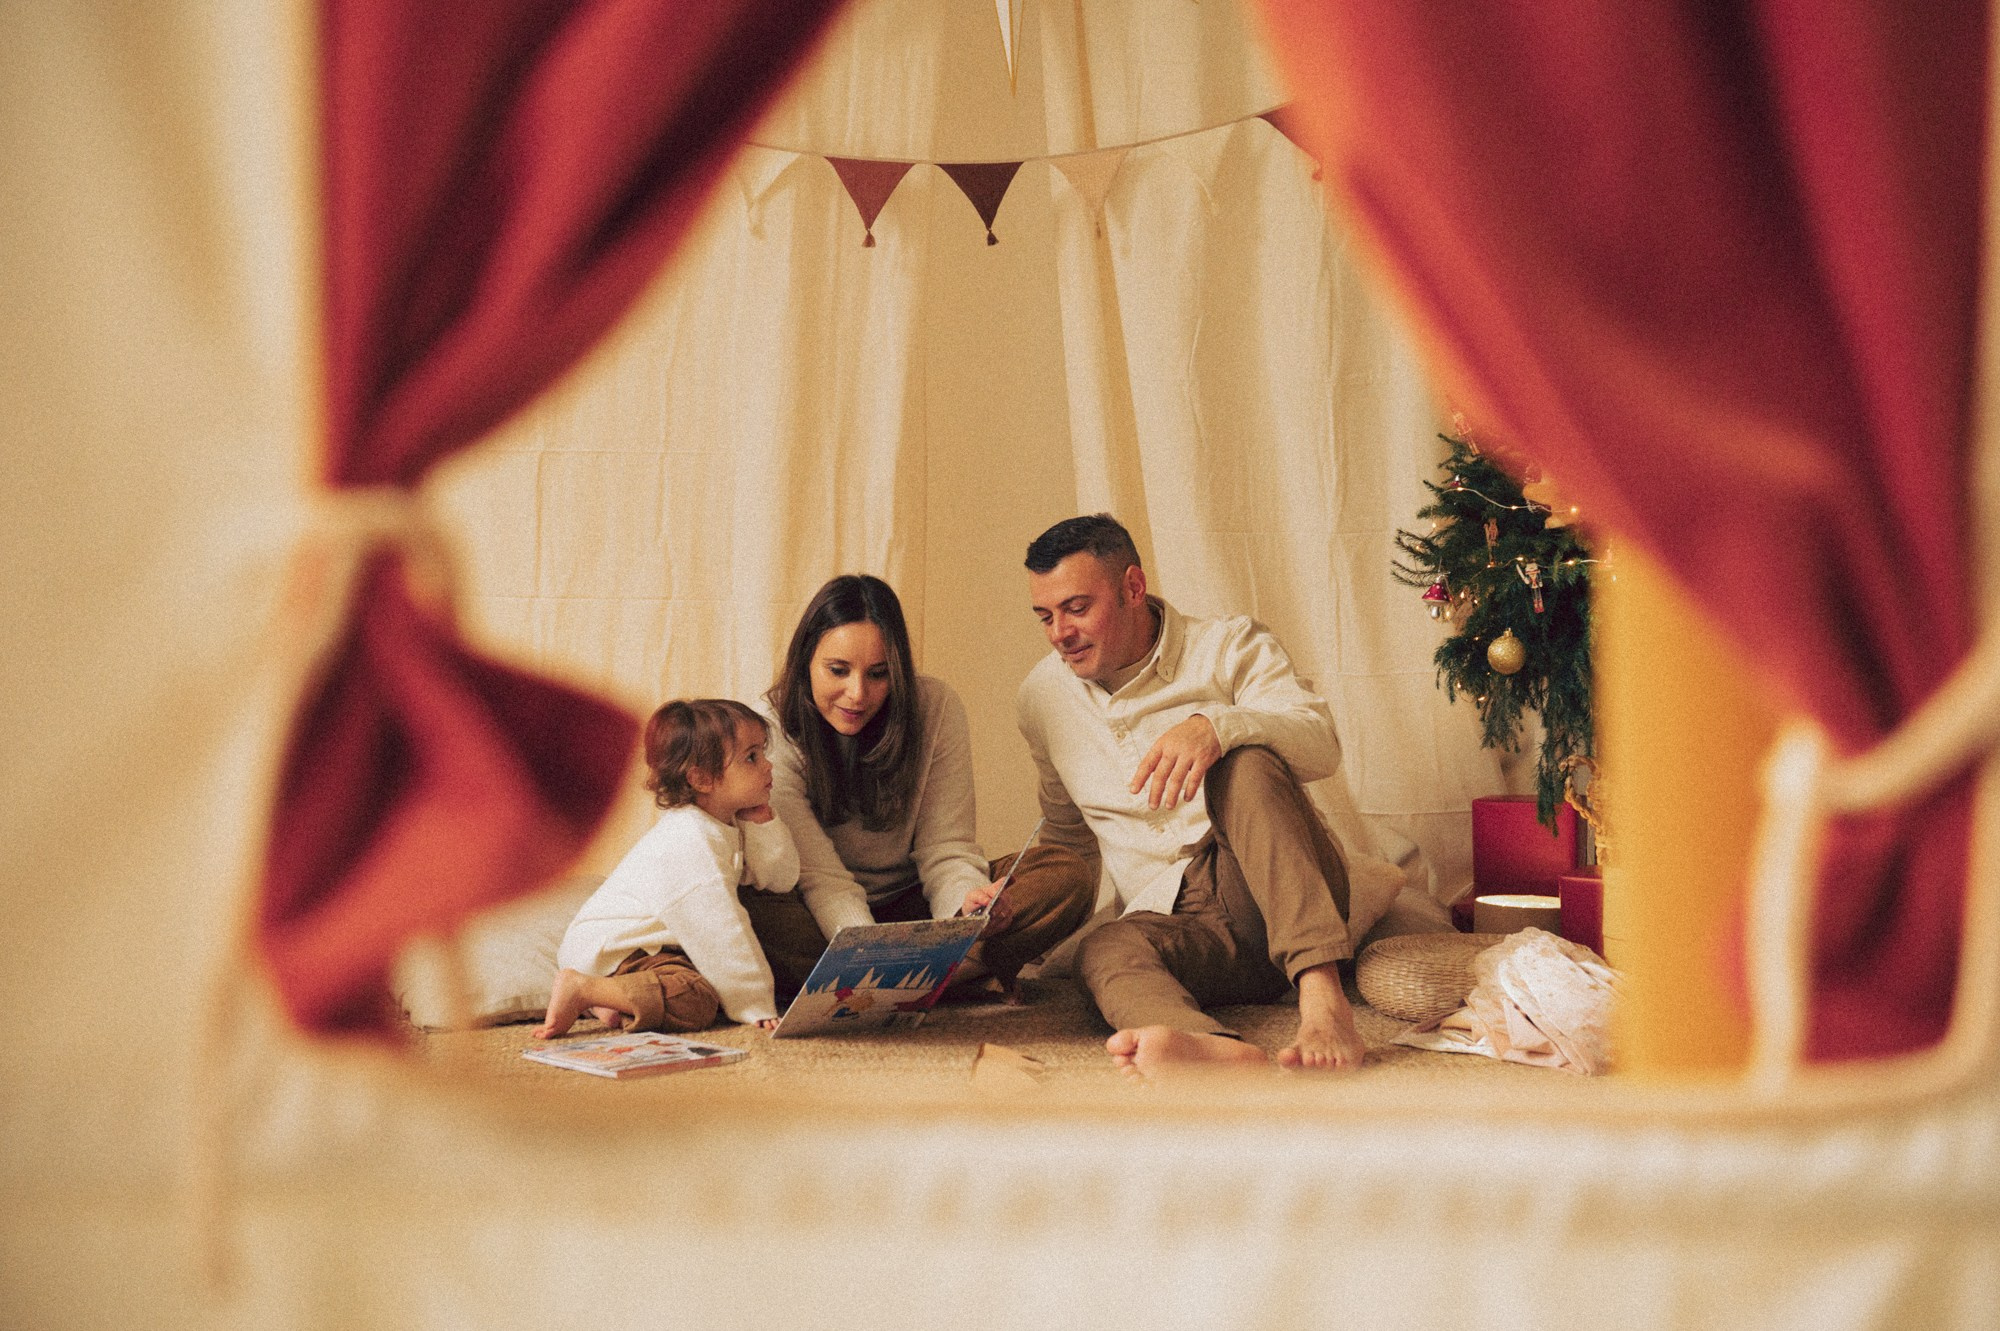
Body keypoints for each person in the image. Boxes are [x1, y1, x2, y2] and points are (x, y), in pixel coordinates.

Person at [1017, 514, 1392, 1078]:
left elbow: (1322, 748)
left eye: (1076, 608)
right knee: (1105, 949)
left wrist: (1218, 726)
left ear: (1133, 588)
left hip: (1268, 889)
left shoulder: (1229, 644)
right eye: (1045, 616)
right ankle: (1205, 1046)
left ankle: (1322, 999)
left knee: (1244, 760)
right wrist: (1017, 895)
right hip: (1175, 924)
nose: (1059, 634)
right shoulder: (1040, 696)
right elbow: (1069, 836)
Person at [743, 574, 1096, 1003]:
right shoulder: (768, 730)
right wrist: (870, 960)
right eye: (838, 670)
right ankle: (943, 979)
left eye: (878, 674)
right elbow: (824, 881)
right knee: (746, 905)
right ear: (805, 662)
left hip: (917, 911)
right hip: (820, 915)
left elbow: (947, 850)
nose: (857, 694)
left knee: (1065, 876)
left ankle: (897, 982)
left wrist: (965, 911)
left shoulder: (936, 707)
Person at [536, 698, 799, 1038]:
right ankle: (583, 988)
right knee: (698, 999)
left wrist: (763, 822)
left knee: (705, 985)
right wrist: (755, 1003)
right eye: (752, 757)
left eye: (763, 752)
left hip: (651, 950)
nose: (768, 765)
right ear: (702, 778)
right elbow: (720, 928)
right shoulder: (690, 839)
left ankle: (608, 1000)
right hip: (618, 948)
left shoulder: (725, 821)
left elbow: (779, 879)